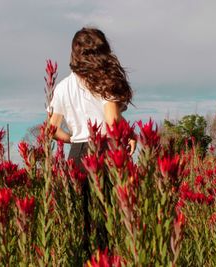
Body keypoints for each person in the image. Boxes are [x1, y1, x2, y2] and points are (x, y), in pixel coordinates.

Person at [48, 27, 136, 255]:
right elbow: (112, 121)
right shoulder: (106, 81)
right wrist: (131, 135)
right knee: (109, 221)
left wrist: (74, 141)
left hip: (76, 157)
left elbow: (52, 129)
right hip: (105, 150)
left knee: (84, 221)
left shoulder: (62, 88)